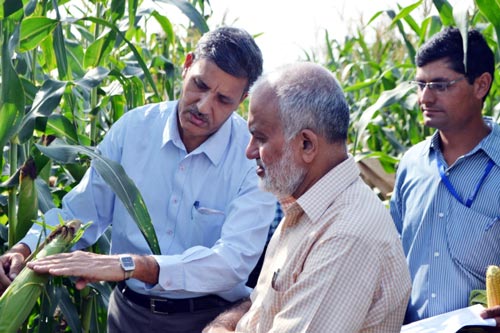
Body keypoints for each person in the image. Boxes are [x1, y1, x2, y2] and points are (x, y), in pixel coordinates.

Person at [0, 26, 277, 333]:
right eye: (200, 85)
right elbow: (78, 214)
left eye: (223, 99)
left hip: (209, 321)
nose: (203, 106)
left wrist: (132, 265)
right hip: (126, 315)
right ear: (186, 65)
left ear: (243, 99)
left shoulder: (252, 158)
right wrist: (24, 249)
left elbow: (233, 261)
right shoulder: (133, 130)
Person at [204, 62, 411, 333]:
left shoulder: (346, 235)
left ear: (306, 144)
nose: (250, 151)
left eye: (260, 138)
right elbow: (262, 305)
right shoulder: (305, 208)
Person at [389, 27, 500, 324]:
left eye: (440, 85)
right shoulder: (412, 165)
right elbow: (391, 256)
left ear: (481, 85)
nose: (425, 97)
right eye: (420, 84)